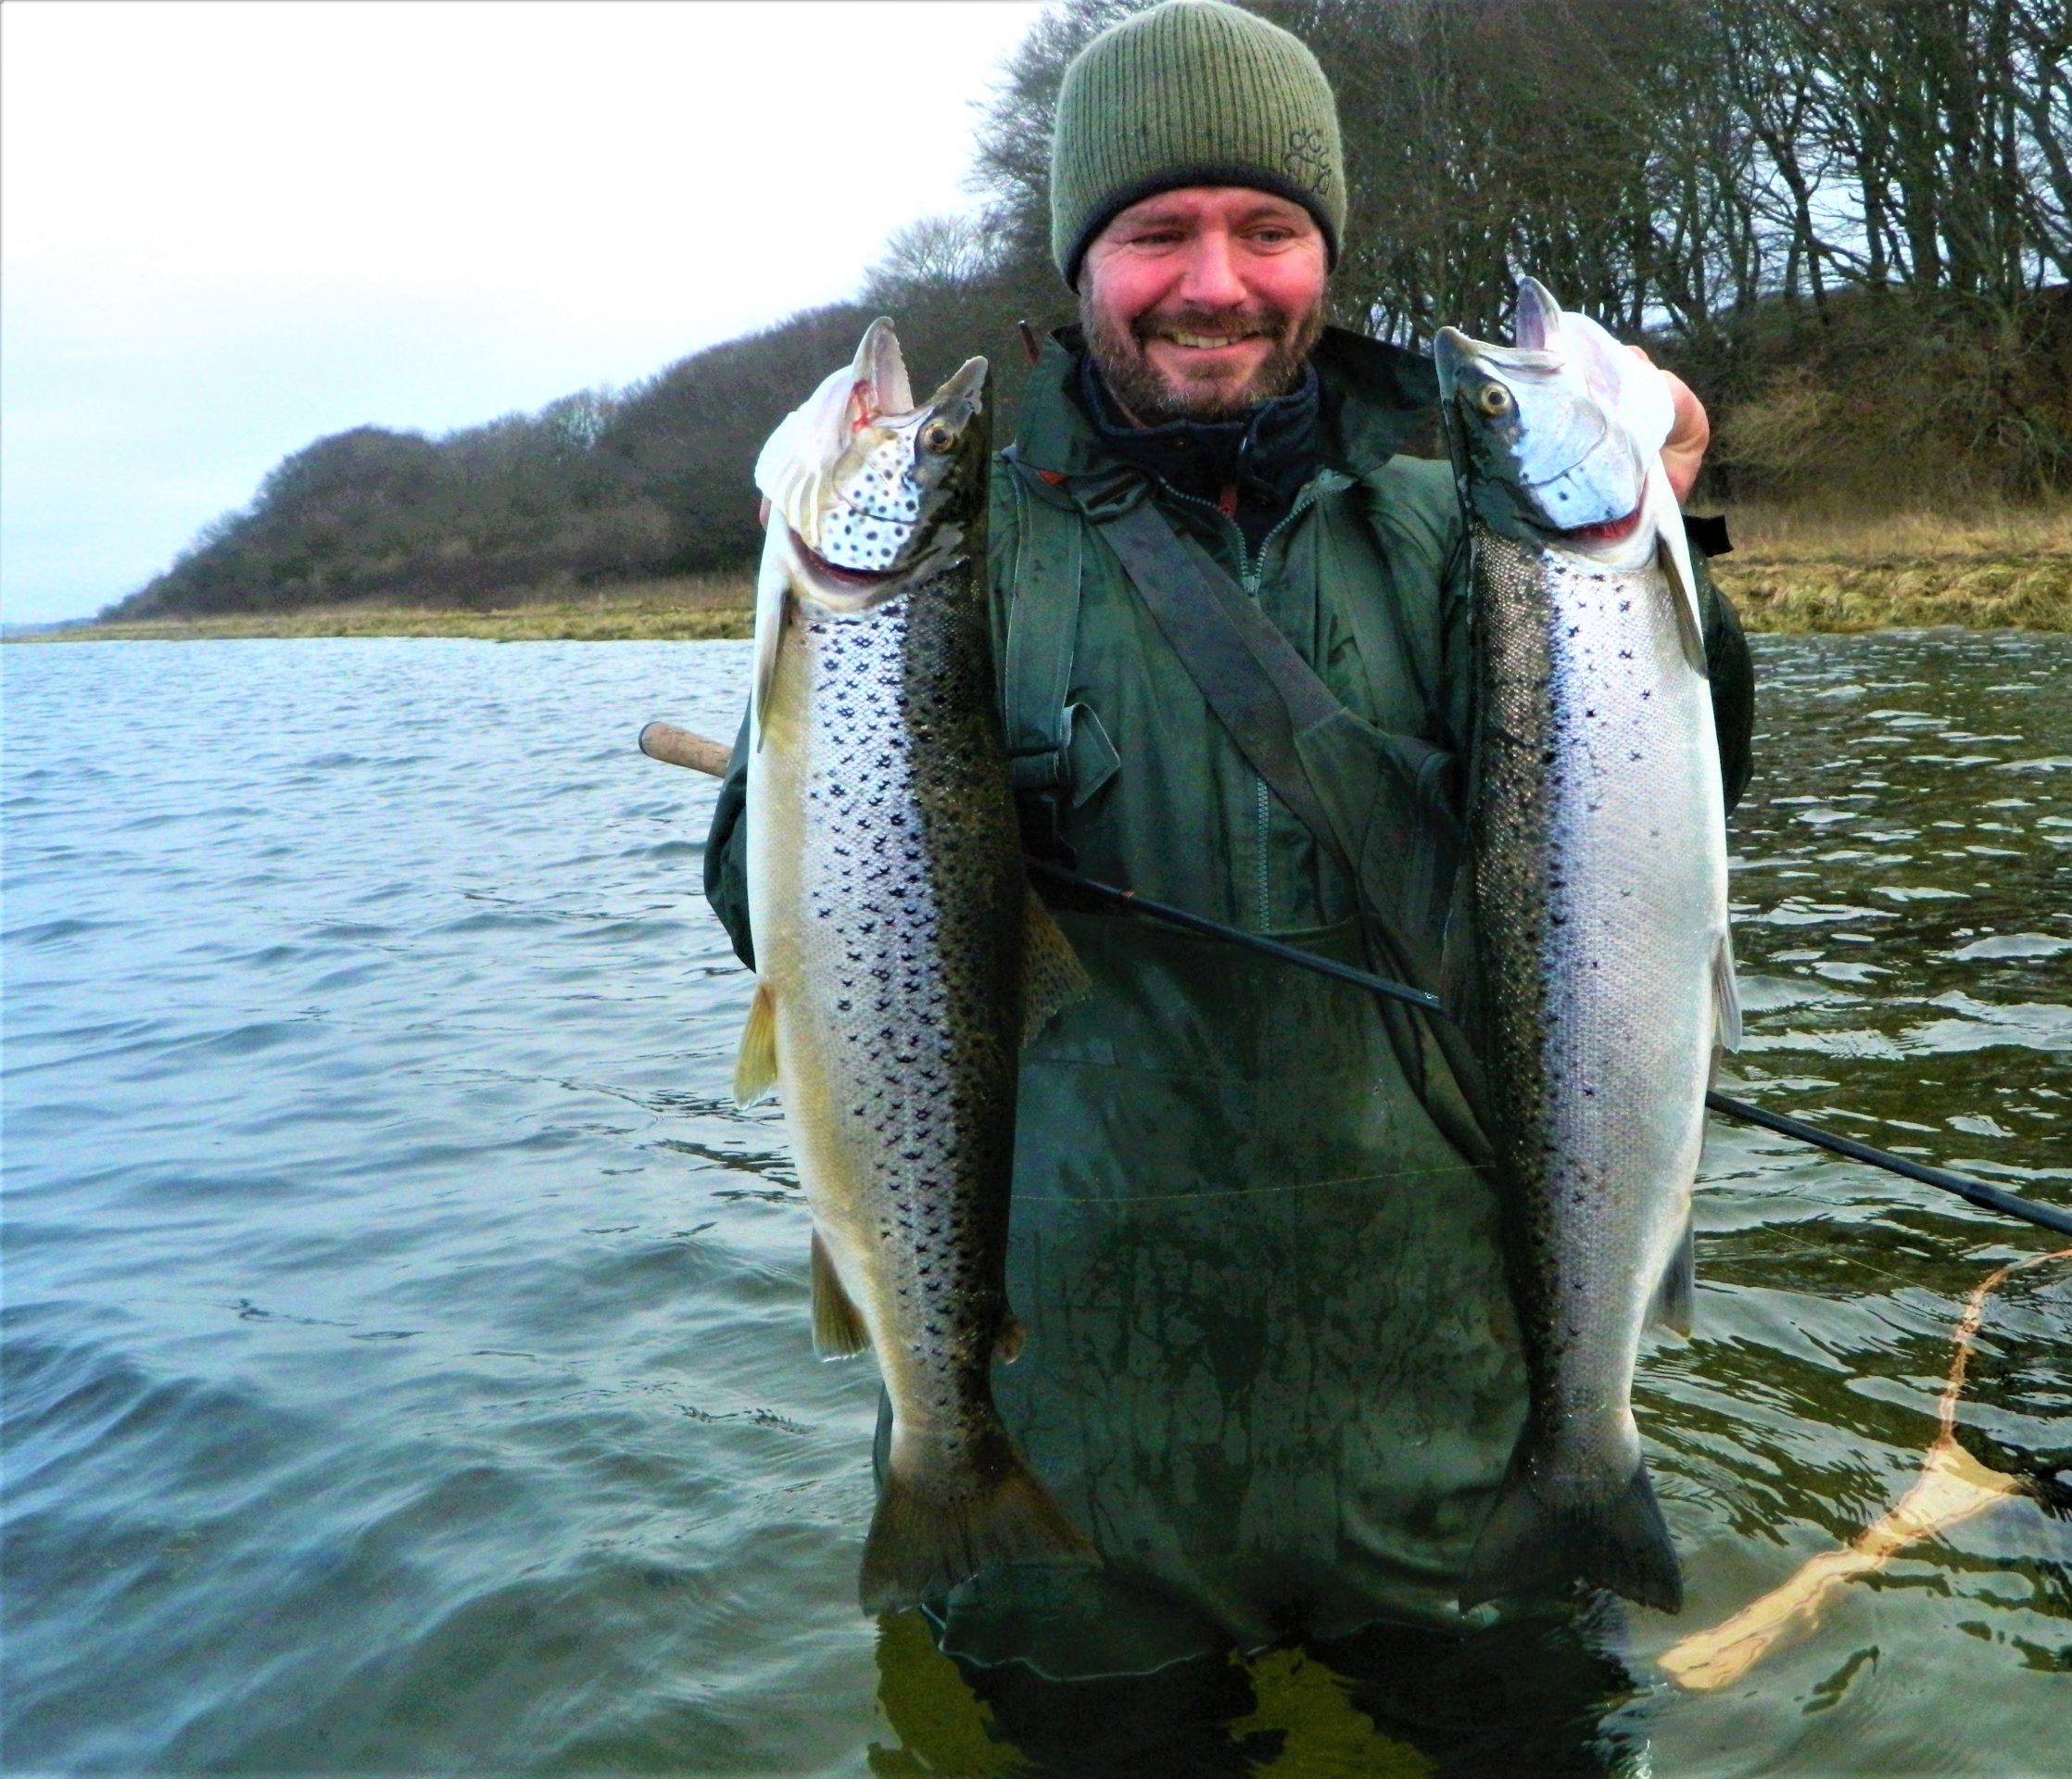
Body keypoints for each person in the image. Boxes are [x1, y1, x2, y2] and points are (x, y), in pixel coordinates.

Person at [704, 0, 1753, 1682]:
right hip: (1079, 1461)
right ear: (1079, 260)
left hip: (1451, 1431)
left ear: (1323, 251)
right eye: (1156, 233)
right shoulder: (968, 544)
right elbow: (773, 919)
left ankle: (1582, 1471)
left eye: (1268, 229)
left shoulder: (1458, 506)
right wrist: (802, 677)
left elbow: (1651, 841)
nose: (1216, 280)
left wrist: (1674, 537)